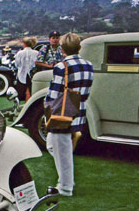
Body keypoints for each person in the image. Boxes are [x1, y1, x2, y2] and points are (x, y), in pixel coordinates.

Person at [44, 33, 93, 197]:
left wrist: (47, 113)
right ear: (79, 48)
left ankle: (65, 187)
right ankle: (66, 179)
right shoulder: (88, 65)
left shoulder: (61, 66)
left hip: (62, 113)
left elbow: (53, 94)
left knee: (60, 149)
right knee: (53, 146)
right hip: (79, 110)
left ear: (62, 49)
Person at [14, 37, 39, 101]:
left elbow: (17, 64)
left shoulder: (19, 53)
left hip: (21, 75)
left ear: (24, 44)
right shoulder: (36, 53)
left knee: (23, 93)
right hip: (33, 75)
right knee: (30, 92)